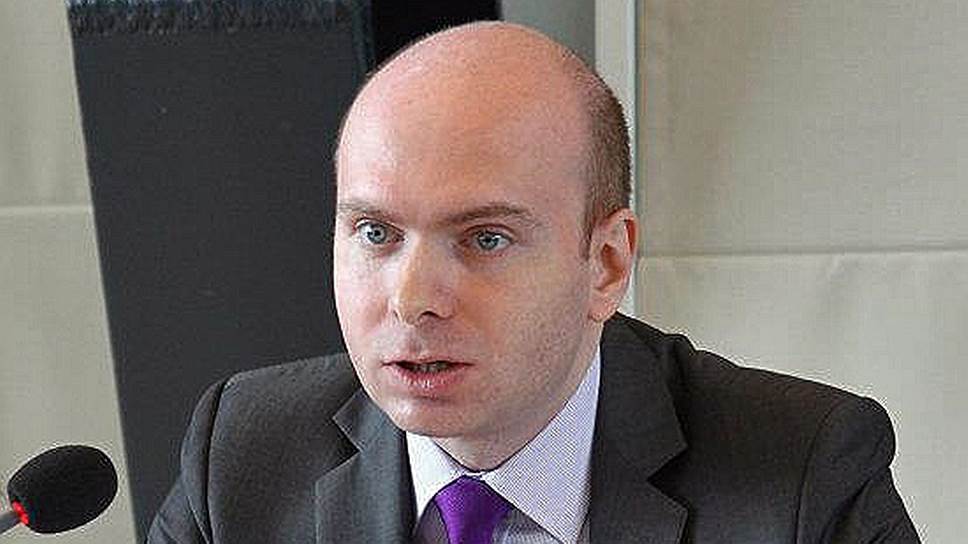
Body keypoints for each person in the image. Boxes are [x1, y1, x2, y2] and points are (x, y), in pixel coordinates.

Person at [147, 21, 919, 543]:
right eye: (376, 233)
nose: (412, 298)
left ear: (606, 265)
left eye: (485, 239)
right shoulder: (243, 454)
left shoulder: (801, 479)